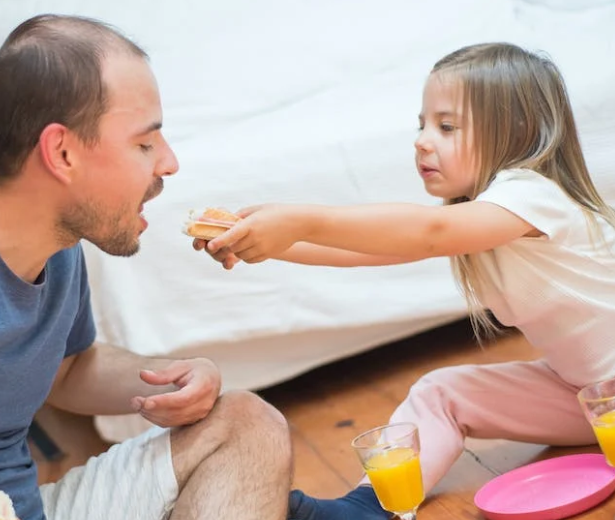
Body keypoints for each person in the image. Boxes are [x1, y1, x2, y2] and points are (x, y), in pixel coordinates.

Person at [196, 42, 615, 520]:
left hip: (599, 396)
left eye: (446, 126)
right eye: (422, 124)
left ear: (516, 131)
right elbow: (371, 251)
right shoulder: (478, 218)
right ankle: (367, 507)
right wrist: (264, 243)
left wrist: (301, 220)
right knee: (441, 392)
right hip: (588, 397)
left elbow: (425, 232)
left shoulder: (534, 195)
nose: (421, 140)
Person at [0, 14, 293, 520]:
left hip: (20, 506)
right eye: (144, 144)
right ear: (61, 152)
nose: (168, 163)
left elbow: (68, 370)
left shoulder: (58, 252)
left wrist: (169, 383)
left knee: (246, 424)